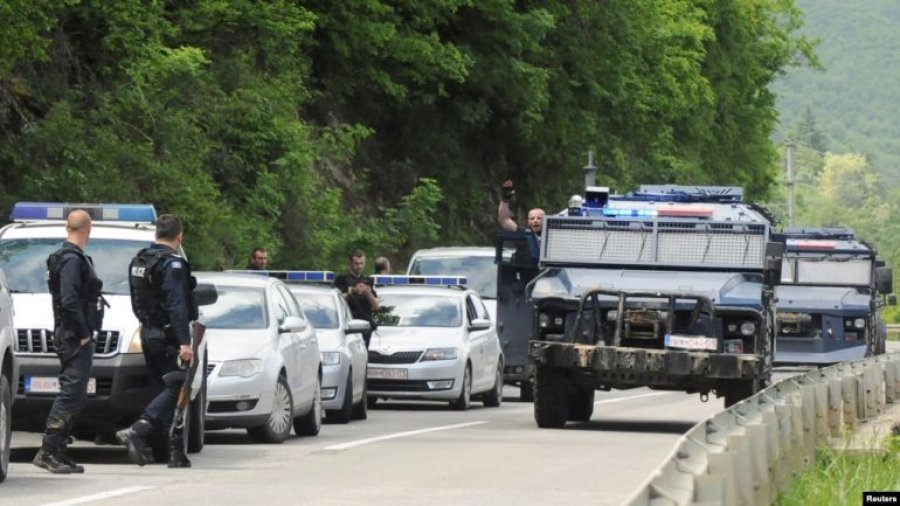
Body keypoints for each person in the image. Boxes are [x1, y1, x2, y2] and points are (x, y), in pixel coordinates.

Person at [117, 214, 197, 468]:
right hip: (168, 335)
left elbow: (135, 300)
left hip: (148, 332)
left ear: (156, 234)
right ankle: (139, 429)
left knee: (164, 389)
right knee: (176, 387)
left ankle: (172, 452)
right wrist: (185, 341)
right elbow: (177, 305)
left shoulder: (140, 260)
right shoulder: (172, 264)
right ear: (179, 236)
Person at [33, 210, 104, 474]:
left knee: (75, 395)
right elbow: (69, 299)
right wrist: (84, 331)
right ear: (87, 228)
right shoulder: (72, 260)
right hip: (74, 335)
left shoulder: (67, 257)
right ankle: (48, 451)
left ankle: (60, 451)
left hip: (70, 333)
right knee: (70, 394)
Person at [334, 250, 379, 346]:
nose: (359, 266)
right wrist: (353, 291)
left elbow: (375, 306)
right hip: (349, 324)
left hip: (365, 325)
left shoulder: (368, 281)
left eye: (361, 263)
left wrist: (368, 293)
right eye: (356, 263)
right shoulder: (342, 279)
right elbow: (337, 301)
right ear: (351, 263)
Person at [497, 179, 545, 261]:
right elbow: (504, 219)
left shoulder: (552, 237)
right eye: (532, 218)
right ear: (528, 221)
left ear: (546, 221)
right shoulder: (523, 234)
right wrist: (504, 200)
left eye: (539, 218)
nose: (535, 220)